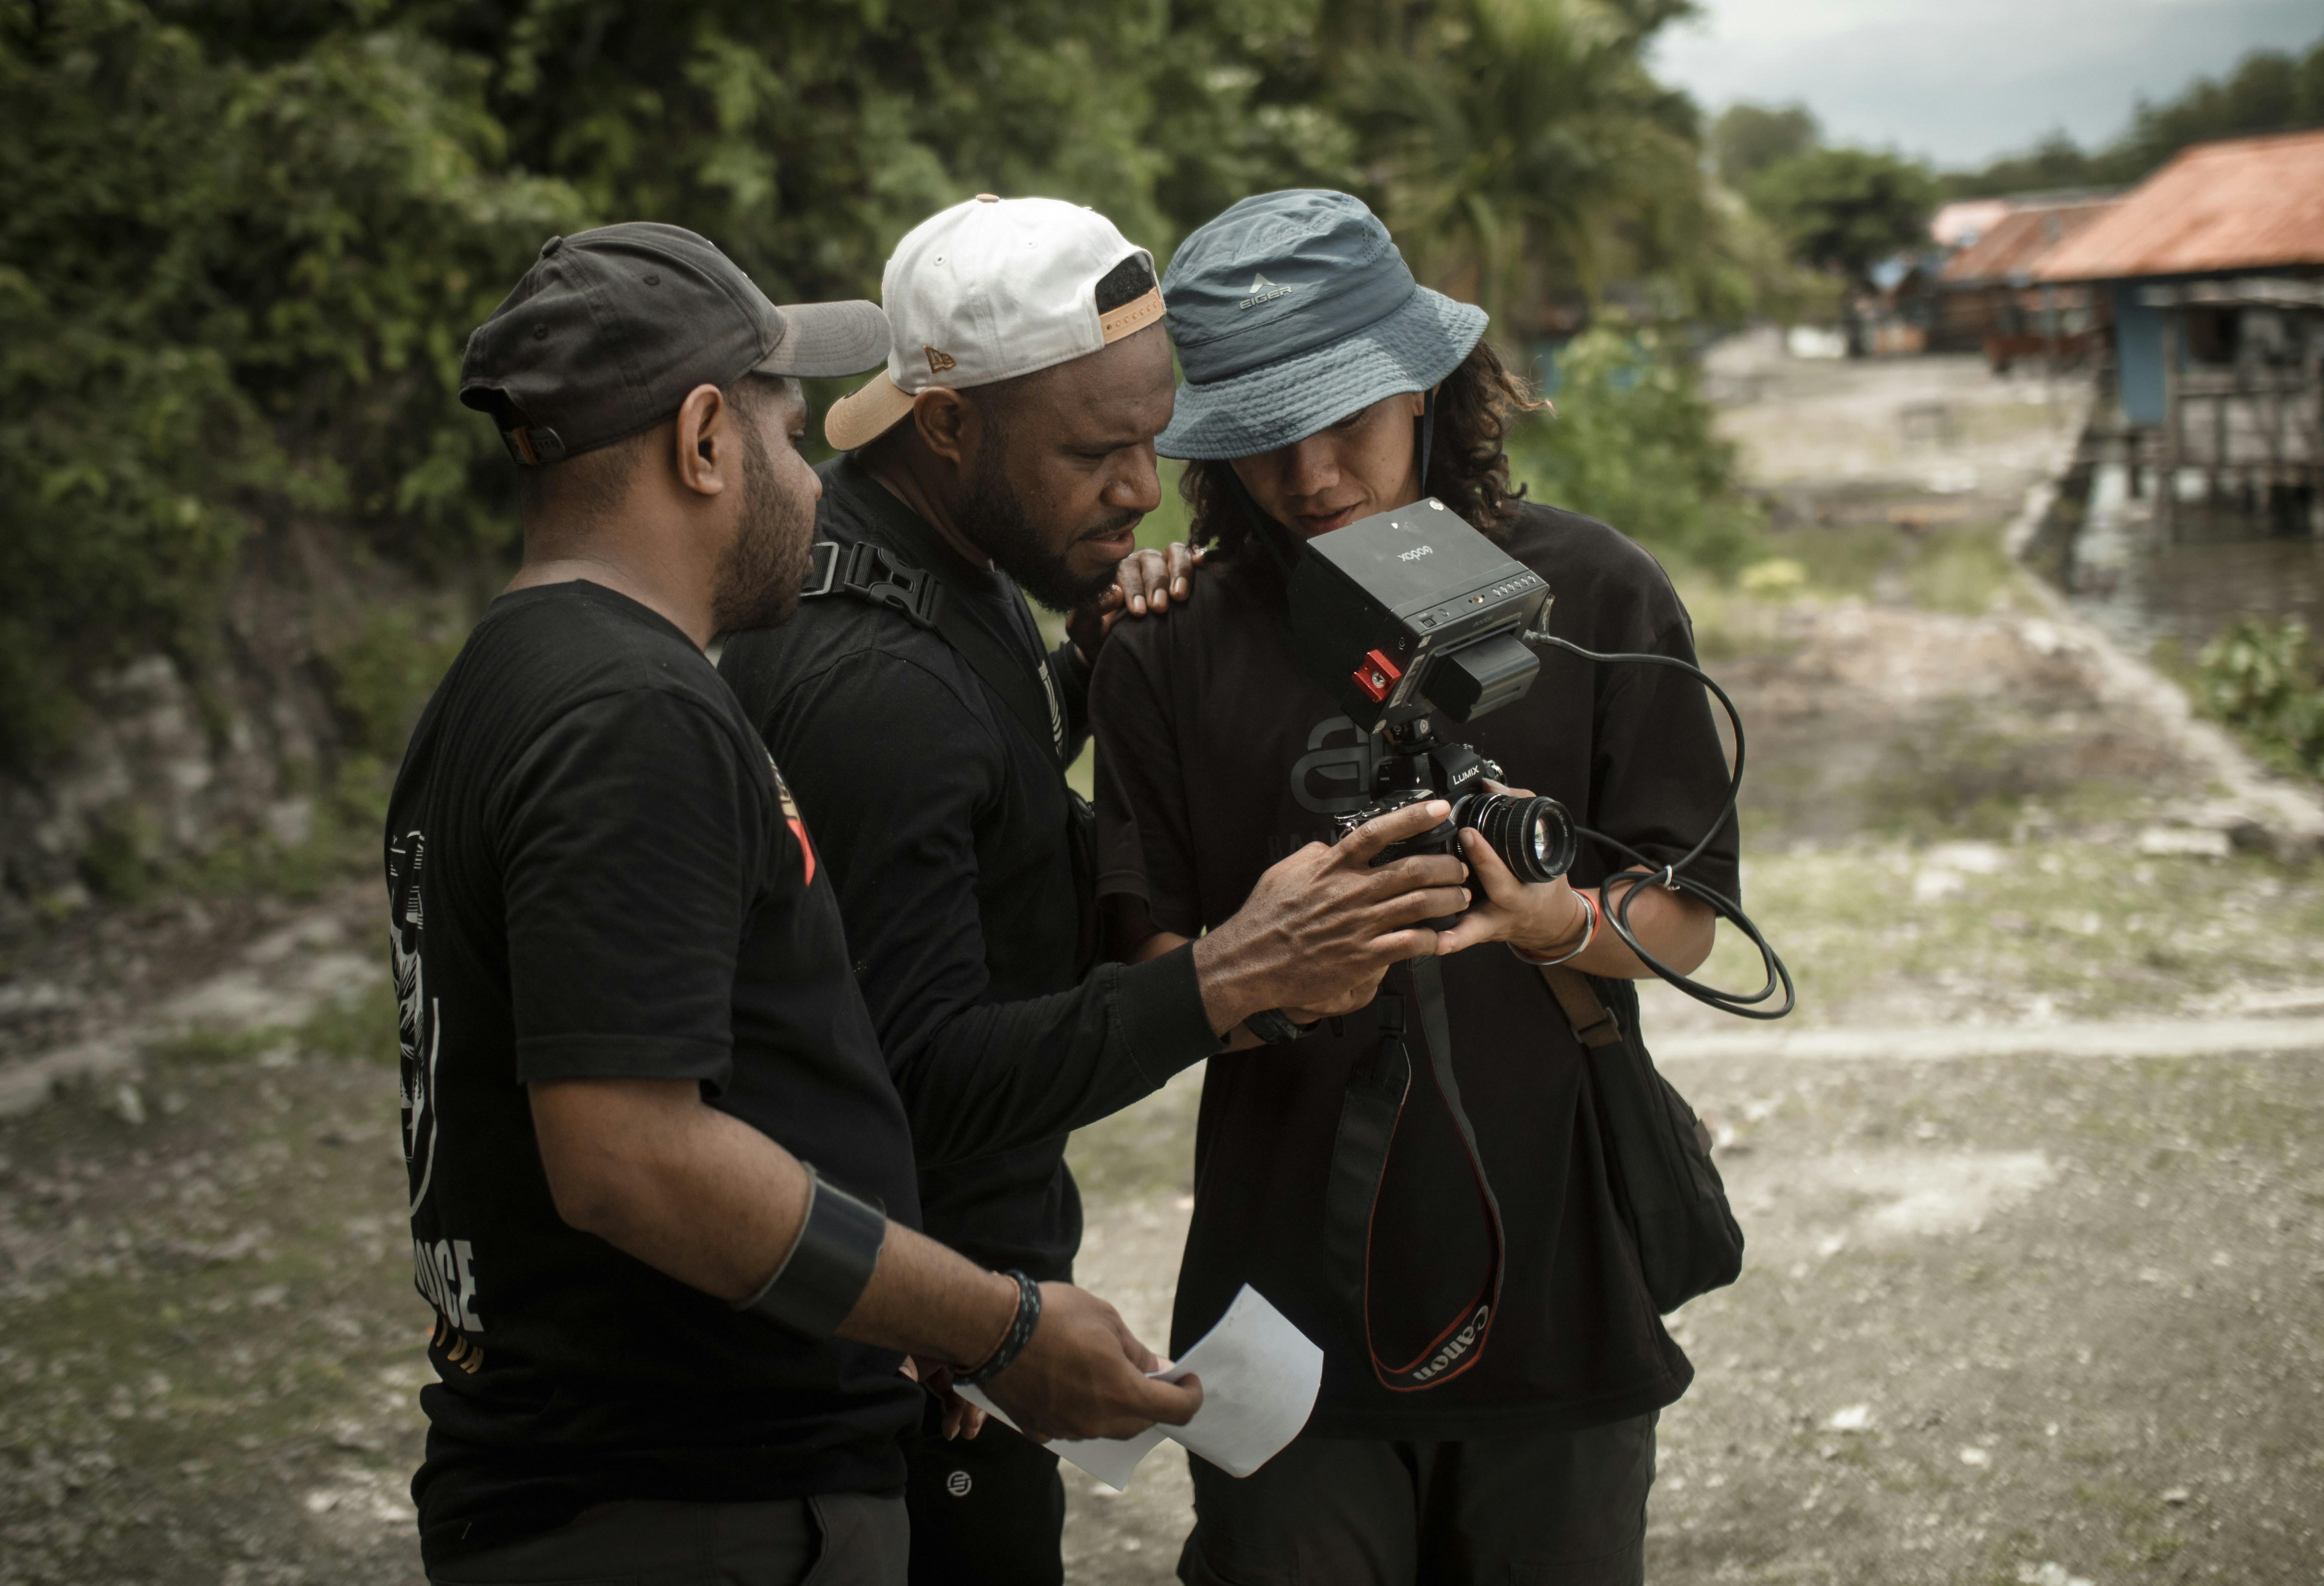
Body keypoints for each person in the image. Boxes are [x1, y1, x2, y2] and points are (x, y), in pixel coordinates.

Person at [387, 223, 1203, 1586]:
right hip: (681, 1504)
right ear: (704, 440)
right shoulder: (629, 715)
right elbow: (632, 1158)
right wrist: (998, 1325)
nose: (816, 484)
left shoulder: (510, 681)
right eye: (786, 435)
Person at [719, 195, 1473, 1584]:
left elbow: (974, 796)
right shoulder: (876, 678)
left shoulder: (955, 581)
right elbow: (912, 1082)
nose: (1140, 489)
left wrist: (1087, 665)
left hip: (951, 1325)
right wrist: (1223, 981)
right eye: (1095, 451)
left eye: (1152, 436)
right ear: (950, 427)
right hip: (894, 1371)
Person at [1091, 189, 1739, 1586]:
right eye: (1263, 435)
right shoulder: (1171, 640)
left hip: (1561, 1297)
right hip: (1287, 1327)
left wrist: (1550, 921)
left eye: (1349, 420)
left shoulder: (1599, 599)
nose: (1312, 473)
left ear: (1431, 386)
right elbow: (1146, 982)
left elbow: (1690, 922)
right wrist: (1268, 970)